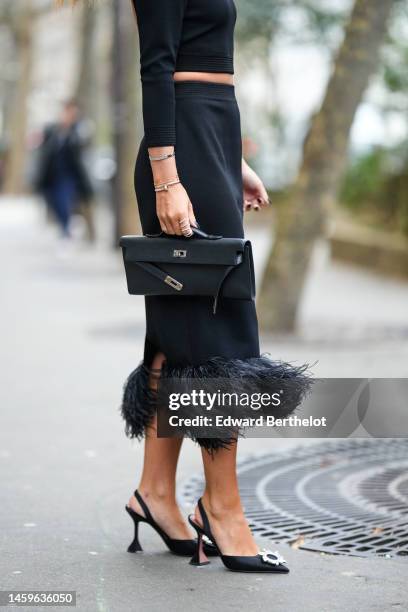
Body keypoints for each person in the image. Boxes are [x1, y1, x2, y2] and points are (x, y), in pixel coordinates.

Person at [119, 0, 312, 574]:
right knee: (214, 334)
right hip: (182, 152)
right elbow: (158, 67)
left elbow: (207, 63)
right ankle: (221, 508)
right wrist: (168, 179)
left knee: (179, 331)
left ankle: (154, 490)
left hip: (210, 137)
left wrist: (233, 157)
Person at [34, 99, 94, 240]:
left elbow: (82, 151)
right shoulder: (52, 130)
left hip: (69, 176)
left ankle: (66, 231)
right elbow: (44, 152)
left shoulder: (79, 130)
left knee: (64, 200)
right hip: (51, 175)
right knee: (53, 202)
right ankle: (66, 227)